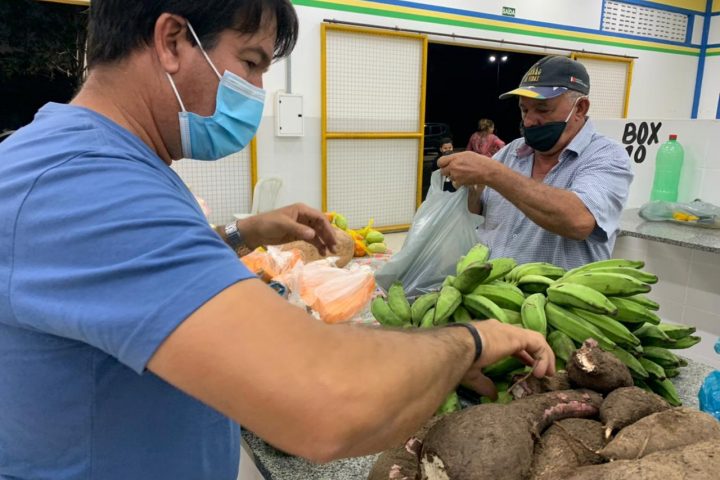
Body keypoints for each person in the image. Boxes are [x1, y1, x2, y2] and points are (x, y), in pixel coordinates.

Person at [0, 1, 555, 479]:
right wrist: (470, 341)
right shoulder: (86, 183)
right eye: (251, 63)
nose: (259, 92)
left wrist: (244, 232)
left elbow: (135, 277)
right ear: (171, 41)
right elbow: (328, 402)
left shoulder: (95, 161)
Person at [439, 55, 633, 269]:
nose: (529, 121)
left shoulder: (606, 156)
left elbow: (579, 220)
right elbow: (479, 214)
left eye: (542, 109)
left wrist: (492, 173)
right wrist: (473, 193)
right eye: (524, 110)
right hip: (489, 287)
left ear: (580, 108)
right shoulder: (510, 152)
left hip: (557, 290)